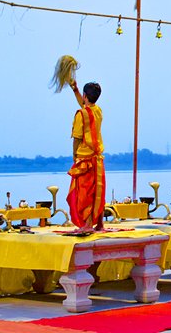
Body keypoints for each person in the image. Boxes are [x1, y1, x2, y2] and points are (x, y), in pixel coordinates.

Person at [66, 81, 106, 232]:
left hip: (85, 157)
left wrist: (75, 156)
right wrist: (75, 90)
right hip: (97, 158)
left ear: (85, 96)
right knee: (98, 190)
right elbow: (86, 106)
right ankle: (100, 224)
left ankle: (88, 224)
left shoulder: (81, 114)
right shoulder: (97, 111)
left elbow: (77, 138)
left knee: (85, 192)